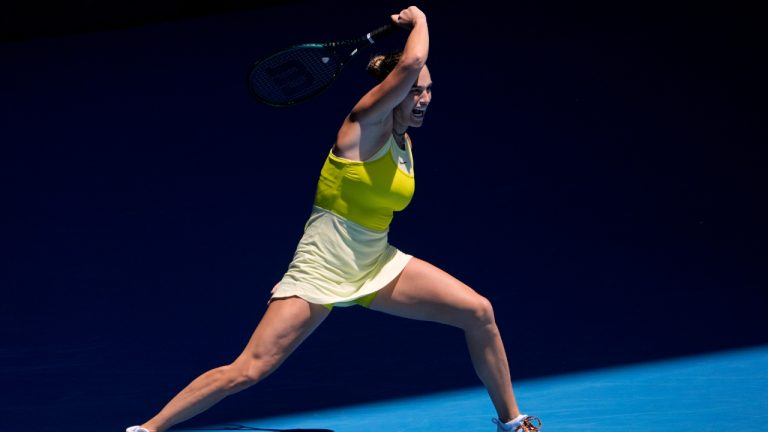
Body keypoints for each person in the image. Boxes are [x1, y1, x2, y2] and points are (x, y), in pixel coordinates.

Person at [126, 6, 541, 432]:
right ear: (392, 91)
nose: (425, 98)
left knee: (478, 311)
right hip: (322, 269)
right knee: (248, 370)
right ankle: (148, 429)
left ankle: (513, 422)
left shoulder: (403, 140)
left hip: (376, 262)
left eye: (430, 90)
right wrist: (419, 19)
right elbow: (413, 60)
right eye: (416, 90)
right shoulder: (365, 124)